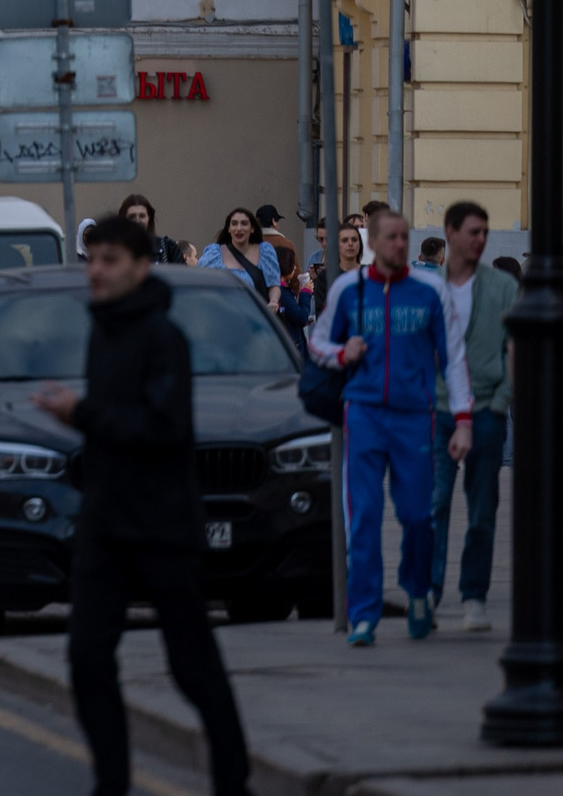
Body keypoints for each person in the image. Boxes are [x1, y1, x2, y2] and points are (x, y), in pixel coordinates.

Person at [32, 216, 258, 796]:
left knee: (192, 668)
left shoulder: (163, 339)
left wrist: (84, 413)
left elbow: (162, 427)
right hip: (106, 525)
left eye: (108, 260)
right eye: (92, 259)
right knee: (86, 659)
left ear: (138, 267)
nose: (95, 270)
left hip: (162, 528)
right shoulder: (105, 332)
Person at [317, 205, 471, 645]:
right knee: (363, 516)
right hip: (363, 415)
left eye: (405, 237)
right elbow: (318, 343)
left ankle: (418, 590)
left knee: (418, 515)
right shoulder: (350, 289)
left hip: (413, 417)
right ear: (374, 243)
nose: (399, 245)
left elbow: (454, 358)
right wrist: (342, 353)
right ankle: (363, 613)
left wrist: (462, 420)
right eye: (391, 238)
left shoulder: (429, 291)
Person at [431, 202, 514, 632]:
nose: (480, 240)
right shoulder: (429, 286)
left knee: (482, 509)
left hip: (485, 410)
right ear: (450, 233)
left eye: (485, 232)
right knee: (434, 502)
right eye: (473, 232)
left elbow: (514, 351)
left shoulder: (501, 287)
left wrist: (501, 401)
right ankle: (428, 592)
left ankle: (474, 596)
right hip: (438, 409)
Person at [198, 207, 280, 310]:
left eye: (244, 223)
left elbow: (274, 284)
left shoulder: (265, 251)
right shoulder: (214, 254)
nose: (239, 228)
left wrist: (273, 301)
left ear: (252, 228)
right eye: (234, 224)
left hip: (255, 317)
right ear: (229, 228)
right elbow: (202, 285)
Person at [116, 194, 187, 265]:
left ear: (149, 218)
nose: (137, 221)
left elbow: (182, 274)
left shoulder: (168, 247)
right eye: (132, 216)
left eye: (142, 216)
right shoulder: (114, 249)